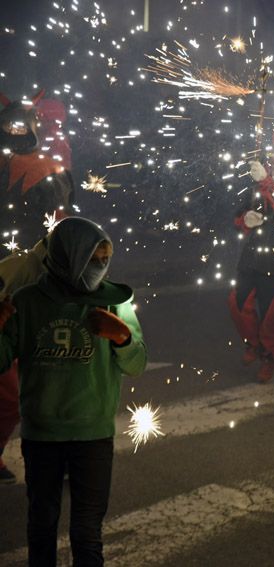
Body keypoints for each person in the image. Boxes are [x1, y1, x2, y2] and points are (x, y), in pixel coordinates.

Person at [0, 217, 147, 565]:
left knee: (87, 533)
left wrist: (122, 336)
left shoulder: (114, 302)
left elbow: (137, 363)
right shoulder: (27, 301)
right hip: (42, 435)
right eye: (92, 259)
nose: (100, 267)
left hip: (92, 435)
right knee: (41, 526)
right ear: (67, 257)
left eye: (105, 259)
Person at [228, 160, 274, 382]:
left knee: (270, 314)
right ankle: (253, 344)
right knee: (237, 302)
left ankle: (270, 356)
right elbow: (237, 218)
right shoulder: (254, 190)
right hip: (251, 258)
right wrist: (245, 220)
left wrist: (268, 187)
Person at [0, 89, 74, 257]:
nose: (13, 131)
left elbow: (60, 221)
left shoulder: (47, 169)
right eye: (8, 126)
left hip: (29, 256)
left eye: (20, 127)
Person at [0, 236, 49, 484]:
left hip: (15, 338)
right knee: (13, 400)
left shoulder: (36, 266)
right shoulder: (23, 269)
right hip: (6, 336)